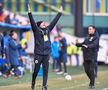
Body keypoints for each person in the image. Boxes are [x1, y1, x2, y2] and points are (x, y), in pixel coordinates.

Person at [28, 2, 62, 90]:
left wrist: (59, 13)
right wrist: (29, 13)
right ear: (39, 25)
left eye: (44, 23)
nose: (44, 24)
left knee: (46, 71)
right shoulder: (36, 30)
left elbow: (54, 22)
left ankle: (44, 86)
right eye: (43, 23)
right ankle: (33, 82)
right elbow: (32, 22)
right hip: (38, 54)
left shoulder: (48, 30)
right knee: (36, 70)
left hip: (46, 54)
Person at [75, 25, 99, 89]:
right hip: (86, 56)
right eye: (88, 29)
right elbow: (83, 43)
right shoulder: (87, 37)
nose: (89, 30)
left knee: (91, 70)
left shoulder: (96, 37)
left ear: (94, 29)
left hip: (92, 56)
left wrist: (88, 46)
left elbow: (95, 44)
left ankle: (92, 84)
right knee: (86, 70)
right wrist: (76, 44)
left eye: (90, 29)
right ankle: (92, 80)